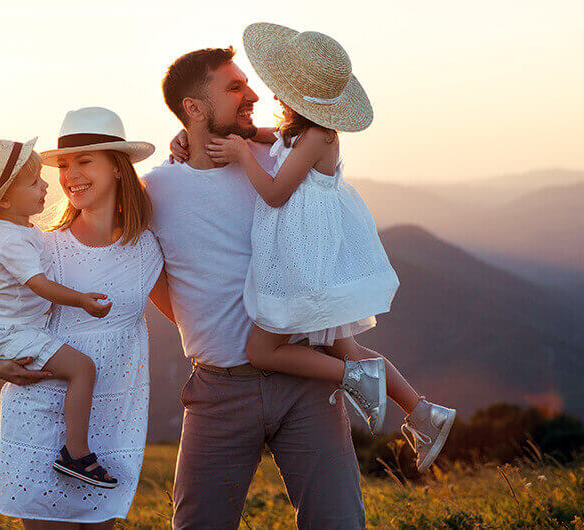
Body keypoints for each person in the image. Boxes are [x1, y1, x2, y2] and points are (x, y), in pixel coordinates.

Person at [171, 23, 456, 474]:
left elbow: (276, 193)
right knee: (344, 343)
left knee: (268, 350)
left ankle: (356, 382)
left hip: (301, 261)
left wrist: (244, 156)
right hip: (305, 255)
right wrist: (190, 138)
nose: (266, 95)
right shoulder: (296, 131)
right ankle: (424, 413)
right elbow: (253, 135)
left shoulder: (318, 136)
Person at [144, 45, 366, 528]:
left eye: (246, 83)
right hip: (218, 390)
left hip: (309, 382)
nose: (254, 94)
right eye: (235, 87)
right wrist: (202, 324)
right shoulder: (157, 189)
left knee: (339, 523)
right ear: (195, 109)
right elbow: (148, 278)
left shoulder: (280, 156)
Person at [0, 107, 170, 528]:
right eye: (64, 164)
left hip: (113, 418)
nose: (70, 176)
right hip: (40, 419)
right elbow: (3, 312)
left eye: (85, 161)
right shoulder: (46, 250)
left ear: (119, 168)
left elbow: (186, 313)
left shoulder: (148, 250)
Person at [0, 136, 119, 488]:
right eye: (34, 182)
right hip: (15, 334)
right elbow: (39, 285)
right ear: (4, 198)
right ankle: (76, 454)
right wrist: (81, 300)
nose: (46, 185)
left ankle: (9, 461)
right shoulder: (9, 240)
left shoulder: (21, 230)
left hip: (16, 330)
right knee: (82, 369)